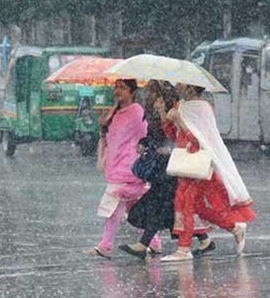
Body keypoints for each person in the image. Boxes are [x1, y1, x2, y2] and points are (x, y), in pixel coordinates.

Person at [159, 83, 256, 262]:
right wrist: (164, 116)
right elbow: (175, 135)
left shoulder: (202, 108)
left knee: (187, 204)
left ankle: (184, 248)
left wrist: (180, 120)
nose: (177, 86)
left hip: (198, 163)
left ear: (191, 88)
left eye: (181, 84)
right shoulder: (181, 105)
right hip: (184, 163)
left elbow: (198, 143)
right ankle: (234, 227)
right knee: (195, 206)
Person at [118, 81, 213, 260]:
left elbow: (174, 135)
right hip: (163, 166)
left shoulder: (177, 109)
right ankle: (204, 239)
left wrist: (165, 122)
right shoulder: (156, 110)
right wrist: (146, 142)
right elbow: (157, 135)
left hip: (172, 165)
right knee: (169, 208)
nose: (148, 96)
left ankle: (145, 244)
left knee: (158, 204)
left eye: (152, 92)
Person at [88, 79, 154, 258]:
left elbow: (144, 137)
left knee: (114, 205)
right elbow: (110, 138)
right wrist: (103, 123)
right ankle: (154, 242)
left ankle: (105, 245)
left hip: (128, 167)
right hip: (116, 165)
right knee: (133, 208)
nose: (117, 91)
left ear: (132, 91)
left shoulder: (137, 112)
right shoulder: (113, 112)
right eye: (116, 87)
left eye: (122, 88)